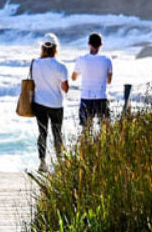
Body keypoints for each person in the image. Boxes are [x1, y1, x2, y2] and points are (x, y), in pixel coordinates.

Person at [30, 33, 69, 170]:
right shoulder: (61, 66)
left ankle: (42, 163)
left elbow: (33, 83)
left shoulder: (35, 63)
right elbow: (65, 88)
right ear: (55, 47)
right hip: (56, 104)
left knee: (42, 133)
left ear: (42, 47)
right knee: (57, 133)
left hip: (39, 103)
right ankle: (59, 162)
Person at [72, 32, 113, 138]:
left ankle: (86, 151)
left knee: (86, 129)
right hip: (101, 97)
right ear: (101, 45)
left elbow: (73, 77)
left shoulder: (81, 59)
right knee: (105, 128)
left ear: (89, 44)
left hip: (86, 97)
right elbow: (109, 81)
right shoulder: (107, 60)